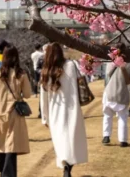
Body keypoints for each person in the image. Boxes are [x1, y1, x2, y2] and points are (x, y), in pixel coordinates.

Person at [39, 43, 88, 176]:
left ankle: (65, 164)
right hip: (72, 107)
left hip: (55, 110)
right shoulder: (71, 65)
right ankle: (68, 166)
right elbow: (81, 82)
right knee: (72, 138)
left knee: (60, 139)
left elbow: (43, 98)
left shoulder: (46, 71)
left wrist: (44, 117)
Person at [0, 46, 33, 177]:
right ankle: (8, 174)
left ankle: (2, 171)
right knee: (11, 145)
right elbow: (27, 94)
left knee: (2, 143)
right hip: (14, 112)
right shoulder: (21, 74)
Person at [101, 59, 130, 147]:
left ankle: (106, 136)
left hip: (109, 92)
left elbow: (108, 75)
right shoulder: (128, 64)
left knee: (107, 115)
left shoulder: (111, 62)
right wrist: (123, 68)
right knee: (122, 117)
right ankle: (123, 140)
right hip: (122, 93)